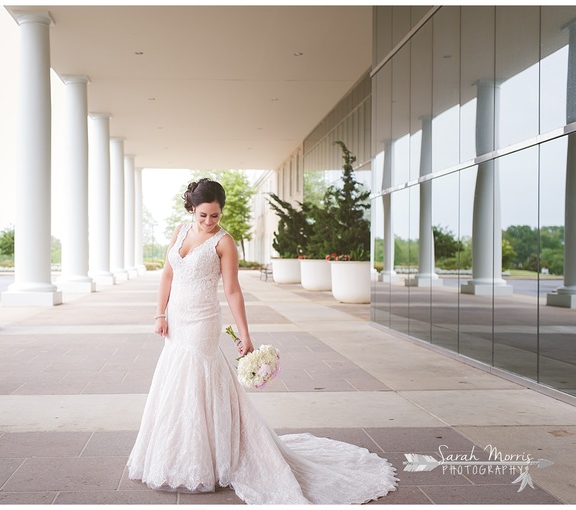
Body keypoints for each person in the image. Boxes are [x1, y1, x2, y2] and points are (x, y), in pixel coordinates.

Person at [126, 179, 397, 504]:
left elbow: (232, 291)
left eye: (215, 215)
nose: (210, 222)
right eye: (203, 216)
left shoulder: (225, 242)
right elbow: (168, 275)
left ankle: (208, 461)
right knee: (175, 382)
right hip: (177, 321)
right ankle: (173, 455)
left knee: (198, 381)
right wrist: (160, 314)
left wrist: (245, 335)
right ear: (192, 209)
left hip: (202, 322)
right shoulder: (180, 231)